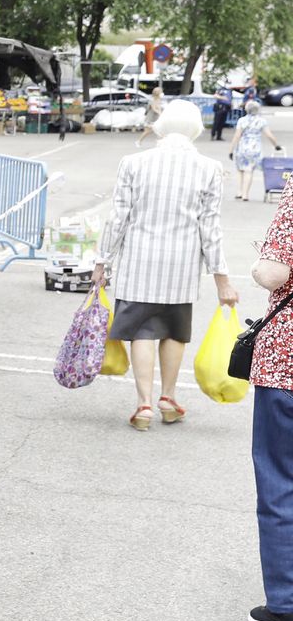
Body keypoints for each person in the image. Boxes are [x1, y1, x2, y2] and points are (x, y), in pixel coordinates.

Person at [93, 101, 238, 431]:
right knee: (174, 332)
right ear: (195, 130)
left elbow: (118, 218)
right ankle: (168, 398)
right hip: (182, 266)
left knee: (142, 331)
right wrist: (222, 280)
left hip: (138, 262)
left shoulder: (133, 163)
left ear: (161, 125)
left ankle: (143, 404)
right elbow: (210, 229)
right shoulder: (209, 168)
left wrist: (102, 261)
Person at [248, 189, 293, 621]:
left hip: (288, 365)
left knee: (282, 480)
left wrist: (258, 266)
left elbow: (275, 270)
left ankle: (286, 607)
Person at [229, 100, 281, 200]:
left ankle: (239, 192)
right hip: (254, 149)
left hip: (242, 147)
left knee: (240, 170)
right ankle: (245, 194)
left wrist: (231, 150)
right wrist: (276, 145)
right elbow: (269, 135)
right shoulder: (261, 121)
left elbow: (237, 136)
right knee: (249, 171)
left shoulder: (242, 120)